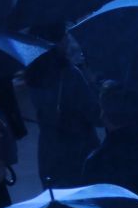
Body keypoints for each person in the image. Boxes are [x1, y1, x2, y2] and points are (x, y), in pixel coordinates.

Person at [25, 24, 100, 188]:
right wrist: (93, 83)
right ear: (56, 41)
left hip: (49, 151)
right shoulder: (70, 74)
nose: (68, 39)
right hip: (78, 150)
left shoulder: (33, 75)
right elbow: (95, 113)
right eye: (65, 35)